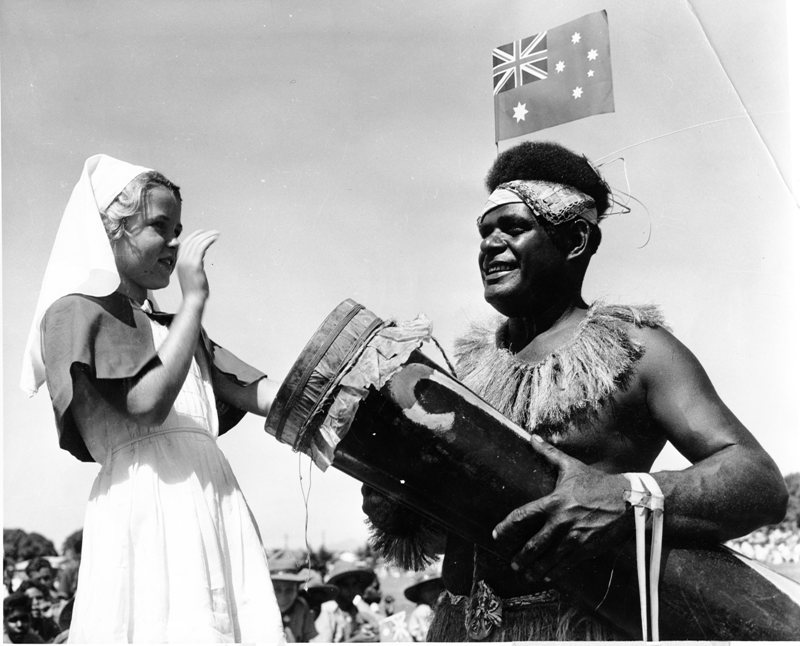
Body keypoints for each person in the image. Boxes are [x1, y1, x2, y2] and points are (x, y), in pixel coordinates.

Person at [362, 141, 788, 640]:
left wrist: (624, 497)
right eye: (484, 232)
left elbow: (758, 482)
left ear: (577, 240)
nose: (490, 244)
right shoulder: (467, 372)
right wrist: (396, 497)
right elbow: (456, 526)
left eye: (514, 228)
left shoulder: (639, 352)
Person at [21, 154, 284, 643]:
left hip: (211, 495)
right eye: (160, 227)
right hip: (149, 498)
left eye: (178, 228)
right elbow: (146, 405)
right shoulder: (74, 314)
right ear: (111, 232)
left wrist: (358, 385)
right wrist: (195, 300)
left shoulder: (173, 329)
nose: (176, 243)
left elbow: (265, 395)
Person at [312, 561, 380, 643]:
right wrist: (354, 641)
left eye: (354, 584)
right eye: (346, 585)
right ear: (336, 587)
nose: (351, 590)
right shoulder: (327, 611)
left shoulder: (352, 608)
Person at [270, 557, 319, 642]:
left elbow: (307, 640)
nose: (283, 596)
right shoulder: (258, 611)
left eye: (289, 590)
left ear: (296, 590)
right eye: (277, 590)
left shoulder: (301, 607)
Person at [403, 572, 444, 642]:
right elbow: (427, 637)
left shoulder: (434, 608)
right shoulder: (423, 610)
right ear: (420, 594)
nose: (433, 593)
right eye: (428, 590)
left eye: (435, 588)